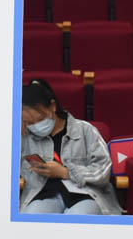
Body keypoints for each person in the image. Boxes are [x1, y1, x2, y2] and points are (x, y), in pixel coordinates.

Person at [19, 78, 119, 215]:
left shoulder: (85, 130)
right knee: (31, 218)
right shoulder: (24, 136)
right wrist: (14, 130)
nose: (36, 125)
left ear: (52, 106)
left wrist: (65, 172)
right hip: (42, 196)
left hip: (84, 194)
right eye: (29, 122)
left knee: (77, 218)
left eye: (40, 119)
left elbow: (103, 171)